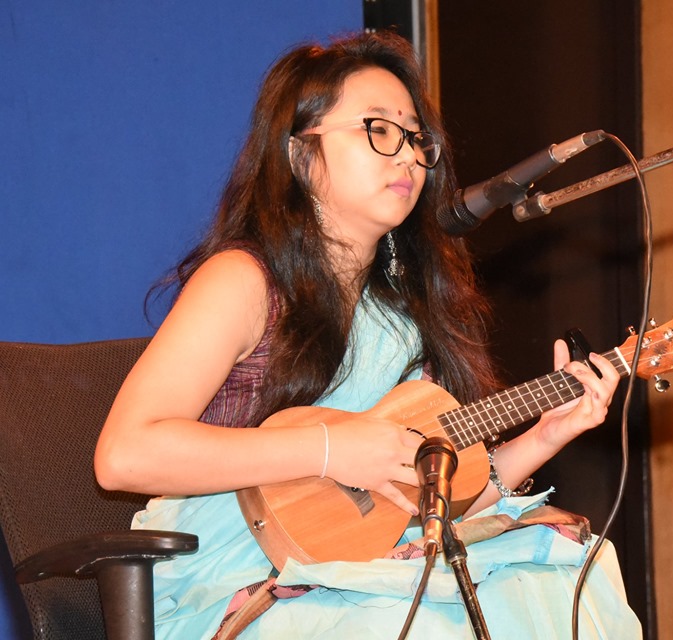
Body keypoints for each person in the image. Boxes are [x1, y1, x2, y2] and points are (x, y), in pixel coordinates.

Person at [95, 30, 642, 639]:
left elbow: (411, 507)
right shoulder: (244, 280)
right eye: (379, 129)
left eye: (415, 137)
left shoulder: (408, 307)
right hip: (225, 573)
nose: (407, 156)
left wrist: (545, 436)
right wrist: (331, 449)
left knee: (563, 581)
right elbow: (124, 456)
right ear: (300, 153)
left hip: (362, 566)